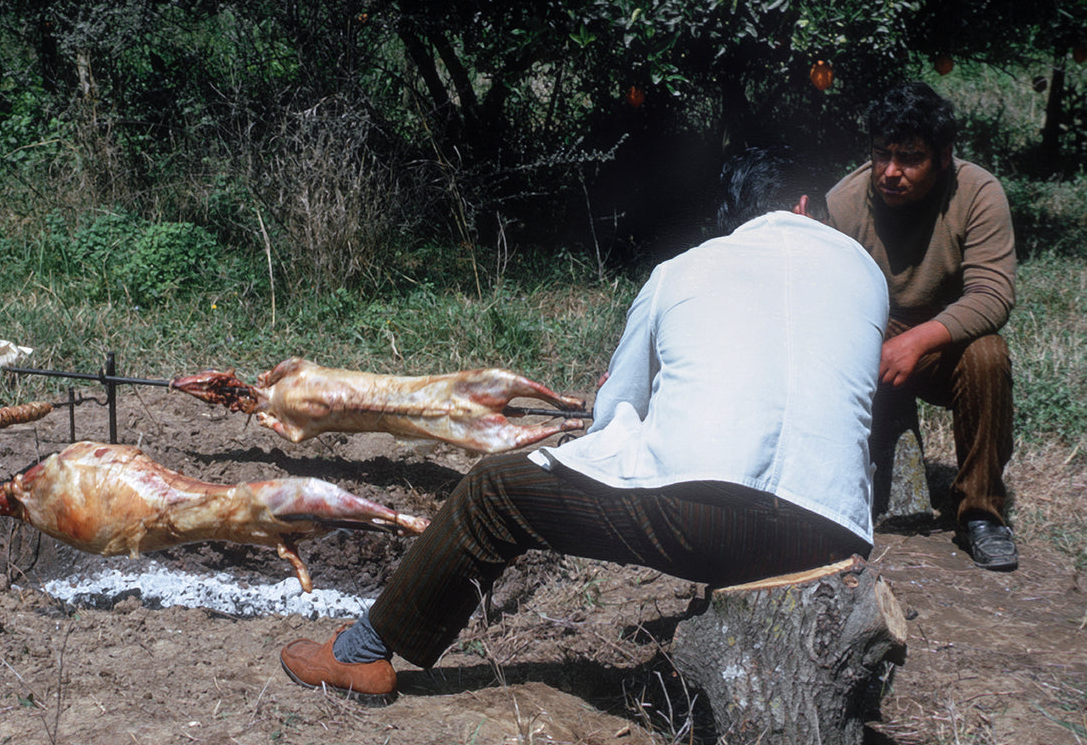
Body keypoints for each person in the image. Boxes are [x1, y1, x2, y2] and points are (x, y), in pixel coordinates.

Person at [278, 154, 889, 698]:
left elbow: (616, 415)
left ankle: (362, 653)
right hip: (834, 534)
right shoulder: (868, 276)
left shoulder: (681, 270)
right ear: (805, 205)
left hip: (713, 521)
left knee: (493, 491)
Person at [822, 82, 1018, 571]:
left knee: (988, 354)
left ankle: (981, 513)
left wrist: (916, 340)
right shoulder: (845, 202)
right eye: (881, 154)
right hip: (868, 335)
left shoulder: (977, 192)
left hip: (943, 337)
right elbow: (824, 300)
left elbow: (993, 295)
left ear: (944, 157)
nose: (891, 172)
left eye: (910, 158)